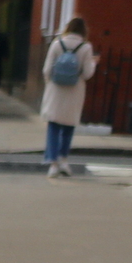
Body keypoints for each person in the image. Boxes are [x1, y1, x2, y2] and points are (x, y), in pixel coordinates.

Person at [40, 17, 96, 178]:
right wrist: (93, 64)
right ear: (83, 30)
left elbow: (46, 70)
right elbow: (87, 74)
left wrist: (50, 84)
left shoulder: (57, 44)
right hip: (75, 91)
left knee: (53, 126)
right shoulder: (86, 47)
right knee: (68, 127)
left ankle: (53, 164)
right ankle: (64, 159)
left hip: (56, 90)